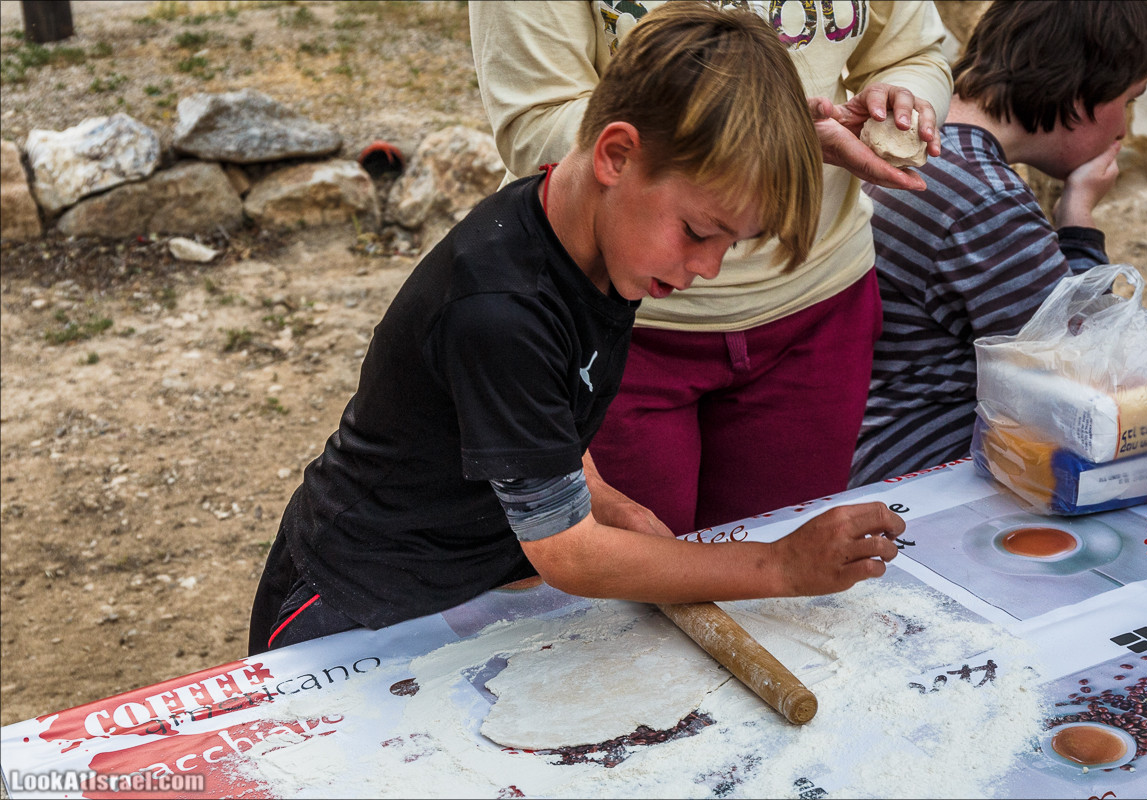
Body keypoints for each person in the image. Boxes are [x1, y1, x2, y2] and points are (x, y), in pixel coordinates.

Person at [249, 2, 905, 655]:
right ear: (616, 155)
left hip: (464, 581)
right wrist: (778, 567)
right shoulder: (501, 311)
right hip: (355, 604)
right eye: (699, 233)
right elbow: (569, 553)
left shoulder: (593, 242)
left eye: (732, 244)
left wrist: (599, 494)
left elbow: (551, 401)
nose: (706, 268)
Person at [470, 0, 953, 537]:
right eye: (700, 233)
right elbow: (535, 122)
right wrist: (773, 140)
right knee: (629, 607)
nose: (708, 266)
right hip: (617, 324)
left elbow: (913, 52)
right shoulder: (489, 317)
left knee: (773, 589)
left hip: (816, 312)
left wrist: (904, 103)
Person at [849, 0, 1147, 488]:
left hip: (863, 444)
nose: (1124, 129)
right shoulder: (978, 196)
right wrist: (1079, 222)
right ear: (1082, 89)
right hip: (916, 474)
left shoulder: (933, 150)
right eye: (1128, 100)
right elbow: (1092, 373)